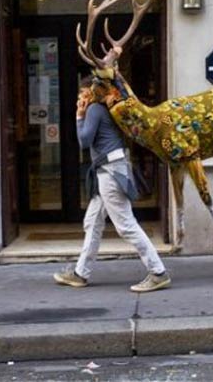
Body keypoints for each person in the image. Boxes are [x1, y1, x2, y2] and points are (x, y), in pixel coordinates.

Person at [54, 76, 171, 293]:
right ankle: (81, 273)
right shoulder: (106, 108)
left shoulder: (95, 110)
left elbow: (84, 141)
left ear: (90, 93)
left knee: (126, 225)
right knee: (92, 222)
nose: (78, 97)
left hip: (110, 172)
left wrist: (79, 116)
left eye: (81, 93)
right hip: (109, 169)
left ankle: (158, 272)